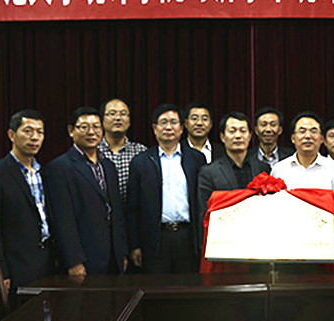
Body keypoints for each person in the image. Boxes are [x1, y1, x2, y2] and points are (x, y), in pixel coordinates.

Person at [0, 109, 54, 293]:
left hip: (49, 263)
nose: (35, 137)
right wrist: (0, 272)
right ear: (12, 135)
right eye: (28, 131)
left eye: (40, 132)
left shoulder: (46, 173)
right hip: (17, 267)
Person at [45, 107, 127, 276]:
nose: (91, 132)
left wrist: (122, 252)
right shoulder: (59, 168)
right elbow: (62, 221)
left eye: (96, 127)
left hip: (113, 255)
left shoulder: (108, 166)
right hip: (84, 257)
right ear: (71, 131)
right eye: (84, 127)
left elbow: (117, 213)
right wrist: (74, 260)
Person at [127, 103, 206, 273]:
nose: (168, 127)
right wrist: (134, 245)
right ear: (155, 129)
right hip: (155, 238)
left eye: (173, 122)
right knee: (157, 286)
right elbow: (133, 208)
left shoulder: (196, 159)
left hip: (187, 236)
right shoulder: (141, 162)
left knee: (189, 285)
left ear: (181, 128)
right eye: (163, 122)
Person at [271, 111, 334, 244]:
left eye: (313, 131)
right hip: (287, 242)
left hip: (323, 243)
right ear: (293, 138)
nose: (308, 136)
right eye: (302, 131)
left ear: (321, 138)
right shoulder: (279, 169)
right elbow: (273, 211)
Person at [197, 111, 270, 218]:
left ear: (249, 136)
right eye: (232, 131)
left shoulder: (263, 168)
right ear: (222, 137)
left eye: (243, 131)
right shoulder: (209, 172)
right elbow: (205, 213)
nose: (238, 136)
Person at [97, 97, 147, 204]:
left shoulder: (141, 152)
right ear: (102, 120)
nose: (118, 118)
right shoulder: (94, 151)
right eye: (112, 113)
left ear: (129, 120)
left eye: (123, 114)